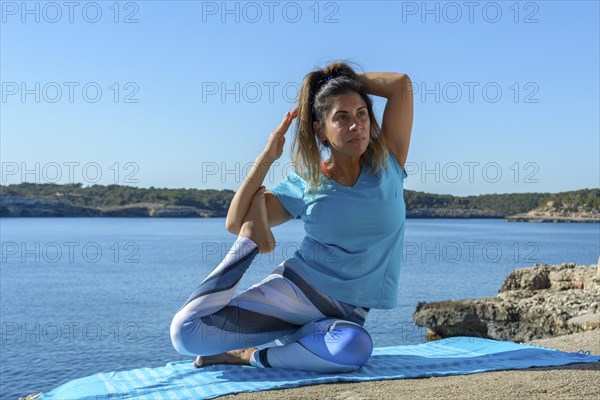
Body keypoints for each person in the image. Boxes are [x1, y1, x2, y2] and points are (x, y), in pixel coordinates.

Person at [170, 61, 413, 373]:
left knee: (355, 347)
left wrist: (342, 80)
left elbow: (401, 85)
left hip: (345, 315)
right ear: (319, 128)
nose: (357, 125)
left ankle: (248, 356)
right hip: (296, 292)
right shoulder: (308, 181)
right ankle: (253, 244)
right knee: (186, 333)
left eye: (361, 113)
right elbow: (235, 220)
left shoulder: (388, 161)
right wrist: (267, 158)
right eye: (342, 118)